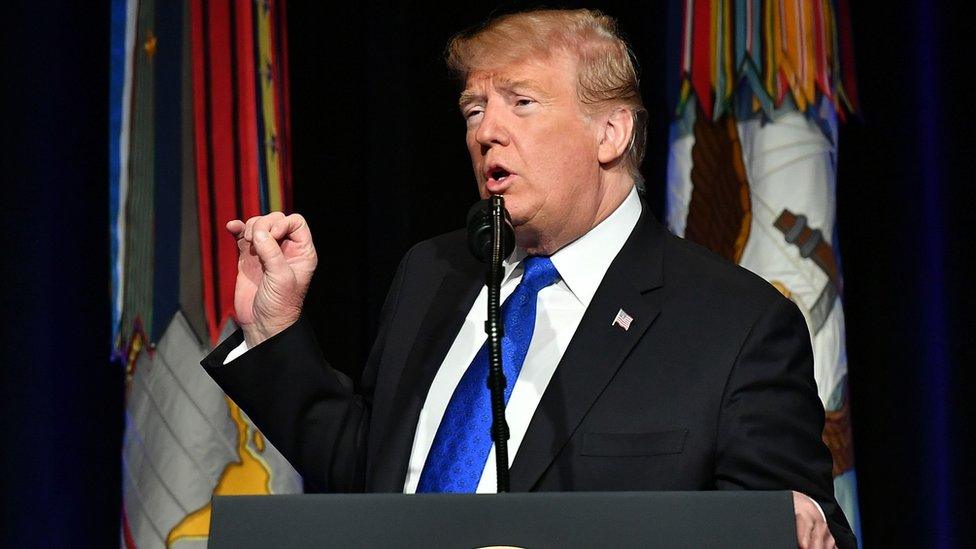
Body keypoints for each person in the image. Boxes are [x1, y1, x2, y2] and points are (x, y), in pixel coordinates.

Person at [202, 9, 854, 548]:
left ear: (611, 131)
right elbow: (374, 475)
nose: (487, 131)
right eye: (473, 110)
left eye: (521, 102)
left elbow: (796, 526)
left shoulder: (734, 323)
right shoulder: (435, 272)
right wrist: (273, 328)